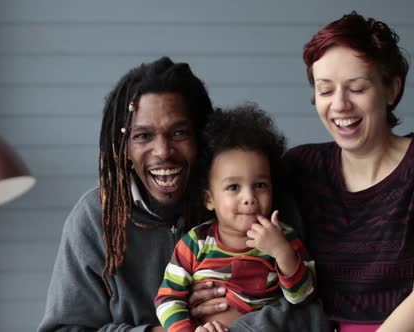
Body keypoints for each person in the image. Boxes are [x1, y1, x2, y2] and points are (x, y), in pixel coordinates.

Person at [38, 57, 330, 331]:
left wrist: (236, 325)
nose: (163, 151)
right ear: (123, 147)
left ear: (201, 137)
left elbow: (314, 312)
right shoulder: (96, 218)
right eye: (142, 136)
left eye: (179, 133)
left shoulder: (261, 202)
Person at [282, 11, 414, 332]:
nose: (339, 105)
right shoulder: (302, 168)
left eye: (357, 88)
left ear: (392, 89)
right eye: (325, 90)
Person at [155, 105, 315, 332]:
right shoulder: (194, 244)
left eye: (260, 185)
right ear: (209, 199)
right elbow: (167, 300)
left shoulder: (283, 237)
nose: (249, 197)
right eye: (233, 187)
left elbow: (304, 297)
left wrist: (282, 252)